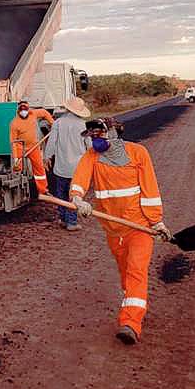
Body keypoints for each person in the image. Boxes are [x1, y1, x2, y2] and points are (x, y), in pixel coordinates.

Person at [70, 118, 171, 345]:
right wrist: (77, 198)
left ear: (114, 133)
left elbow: (150, 189)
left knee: (136, 270)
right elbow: (79, 181)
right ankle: (134, 300)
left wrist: (156, 222)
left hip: (140, 227)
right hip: (113, 230)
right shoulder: (91, 158)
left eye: (100, 133)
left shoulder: (138, 153)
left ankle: (130, 323)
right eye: (92, 135)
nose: (96, 138)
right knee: (126, 273)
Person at [44, 96, 91, 231]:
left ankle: (63, 219)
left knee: (61, 194)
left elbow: (52, 142)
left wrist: (47, 157)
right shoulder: (83, 125)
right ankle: (72, 222)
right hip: (77, 168)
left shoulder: (58, 123)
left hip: (61, 167)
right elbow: (89, 145)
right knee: (74, 195)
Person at [9, 99, 54, 195]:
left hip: (34, 146)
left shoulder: (33, 114)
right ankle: (17, 190)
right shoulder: (14, 123)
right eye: (21, 110)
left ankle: (43, 190)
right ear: (18, 111)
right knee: (17, 167)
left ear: (28, 109)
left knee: (39, 168)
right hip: (21, 147)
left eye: (25, 109)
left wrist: (52, 123)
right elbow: (13, 142)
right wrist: (16, 157)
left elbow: (45, 113)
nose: (23, 112)